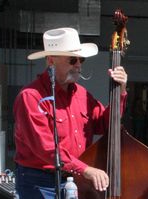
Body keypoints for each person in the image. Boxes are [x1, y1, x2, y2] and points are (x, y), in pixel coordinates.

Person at [14, 27, 128, 199]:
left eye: (81, 59)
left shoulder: (82, 94)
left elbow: (105, 124)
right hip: (39, 182)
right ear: (51, 61)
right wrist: (86, 169)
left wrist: (120, 91)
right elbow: (46, 149)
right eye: (73, 60)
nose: (78, 65)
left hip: (74, 180)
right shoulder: (30, 97)